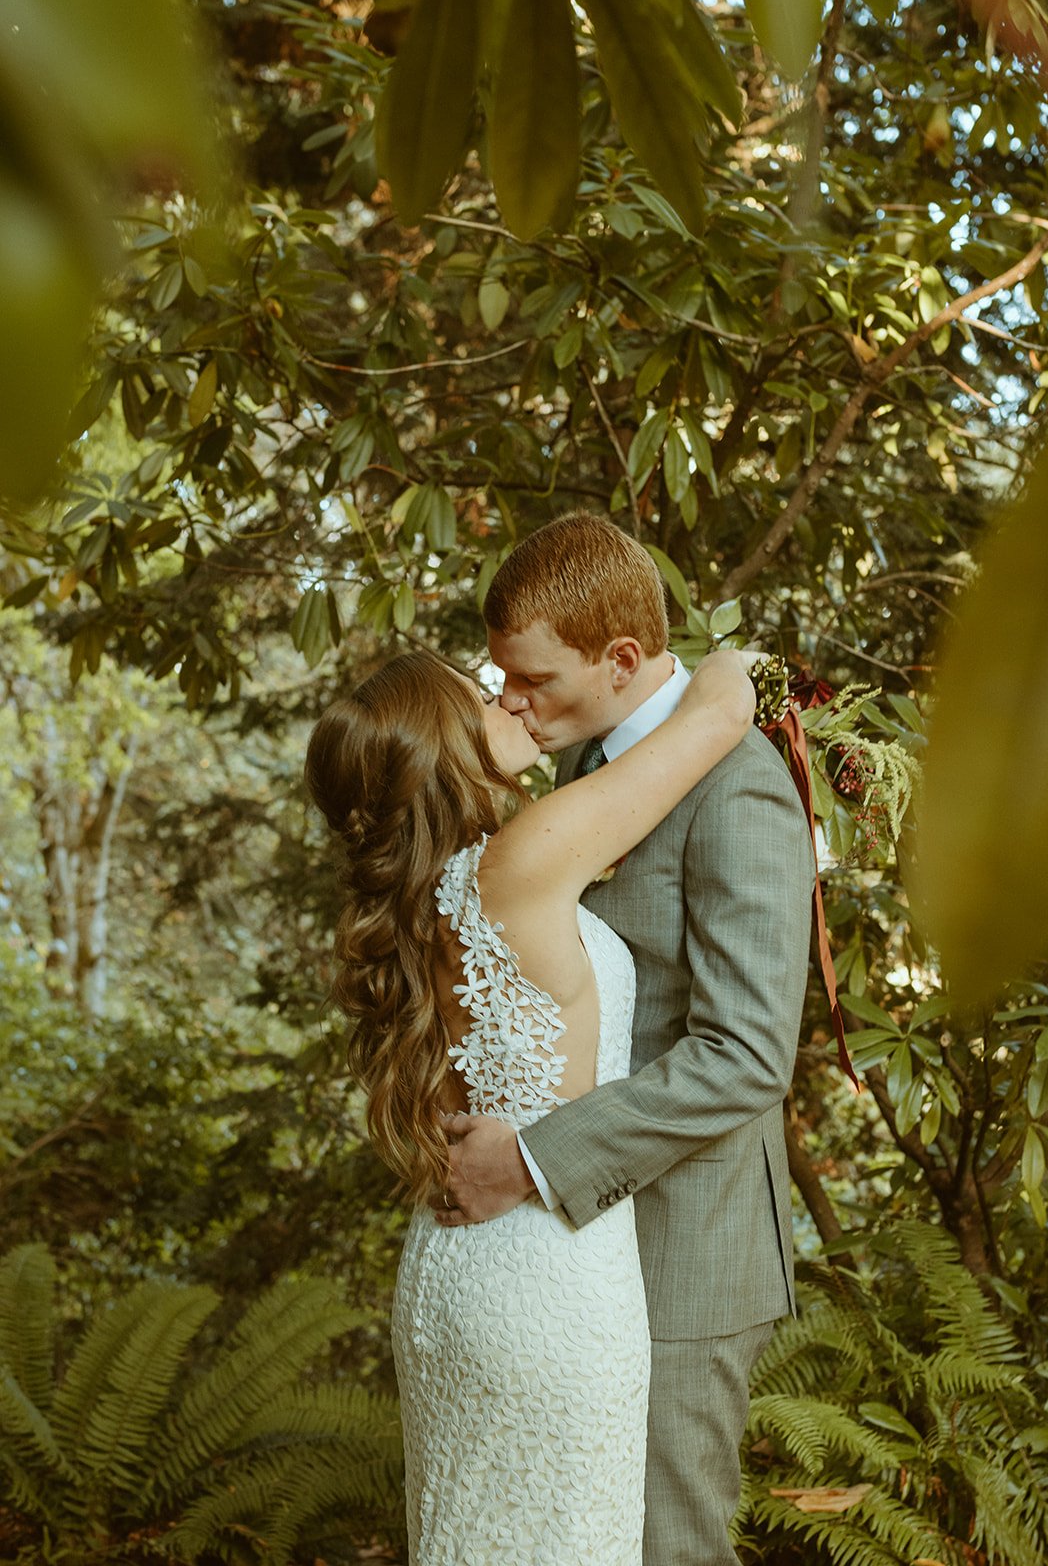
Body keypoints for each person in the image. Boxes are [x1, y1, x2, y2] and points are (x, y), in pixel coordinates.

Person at [304, 642, 757, 1565]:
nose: (504, 699)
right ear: (440, 744)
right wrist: (736, 658)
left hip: (456, 1267)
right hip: (550, 1278)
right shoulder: (521, 860)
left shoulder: (433, 894)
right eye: (476, 696)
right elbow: (717, 717)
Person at [438, 513, 815, 1566]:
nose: (510, 701)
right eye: (500, 676)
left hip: (685, 1247)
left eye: (534, 680)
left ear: (617, 659)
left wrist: (530, 1157)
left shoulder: (737, 784)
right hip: (581, 1253)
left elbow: (743, 1054)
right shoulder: (581, 764)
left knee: (664, 1545)